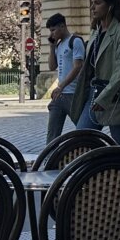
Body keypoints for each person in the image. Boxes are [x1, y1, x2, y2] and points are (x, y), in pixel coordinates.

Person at [69, 0, 120, 146]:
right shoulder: (94, 32)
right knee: (80, 141)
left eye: (97, 3)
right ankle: (93, 170)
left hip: (118, 97)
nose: (92, 7)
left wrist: (104, 97)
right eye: (91, 3)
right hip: (94, 94)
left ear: (110, 6)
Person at [41, 13, 86, 144]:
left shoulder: (75, 41)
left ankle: (89, 149)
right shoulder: (59, 45)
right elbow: (52, 66)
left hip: (73, 94)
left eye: (53, 30)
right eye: (50, 31)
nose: (52, 34)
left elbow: (78, 67)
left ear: (62, 26)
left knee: (83, 127)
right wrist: (52, 46)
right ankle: (49, 158)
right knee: (52, 134)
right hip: (59, 96)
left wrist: (62, 86)